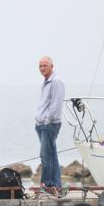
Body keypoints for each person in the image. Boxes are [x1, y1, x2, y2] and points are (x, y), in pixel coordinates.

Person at [35, 56, 65, 191]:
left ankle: (47, 185)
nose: (42, 68)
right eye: (40, 66)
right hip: (41, 124)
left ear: (52, 66)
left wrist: (47, 121)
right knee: (51, 155)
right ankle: (55, 185)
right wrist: (39, 121)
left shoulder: (56, 81)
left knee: (46, 156)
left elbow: (56, 106)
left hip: (49, 125)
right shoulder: (46, 82)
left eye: (45, 65)